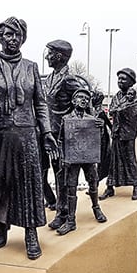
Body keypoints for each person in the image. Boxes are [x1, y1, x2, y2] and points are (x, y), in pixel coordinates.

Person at [0, 17, 58, 260]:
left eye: (17, 35)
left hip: (27, 134)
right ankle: (1, 225)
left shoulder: (31, 67)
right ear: (0, 37)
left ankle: (31, 233)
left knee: (30, 184)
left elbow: (40, 103)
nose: (13, 39)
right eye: (8, 35)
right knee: (1, 183)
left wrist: (47, 132)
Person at [43, 40, 90, 231]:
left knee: (63, 175)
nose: (47, 56)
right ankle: (60, 209)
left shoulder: (70, 81)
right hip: (51, 135)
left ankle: (64, 214)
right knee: (56, 173)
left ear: (60, 56)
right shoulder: (51, 78)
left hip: (64, 138)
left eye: (50, 53)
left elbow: (85, 105)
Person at [56, 87, 107, 235]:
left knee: (93, 182)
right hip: (72, 158)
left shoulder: (92, 120)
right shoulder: (66, 119)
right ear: (73, 101)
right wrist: (63, 157)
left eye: (86, 98)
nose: (84, 100)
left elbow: (99, 139)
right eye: (80, 97)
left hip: (88, 158)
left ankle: (96, 207)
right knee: (71, 187)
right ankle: (71, 220)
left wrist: (101, 129)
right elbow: (60, 141)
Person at [100, 68, 137, 200]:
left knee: (129, 159)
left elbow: (128, 111)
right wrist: (116, 110)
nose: (120, 81)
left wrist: (117, 110)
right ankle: (110, 186)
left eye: (123, 79)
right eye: (119, 79)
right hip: (116, 132)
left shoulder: (133, 97)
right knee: (113, 160)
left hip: (127, 134)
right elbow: (112, 110)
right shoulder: (117, 96)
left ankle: (135, 186)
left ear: (131, 82)